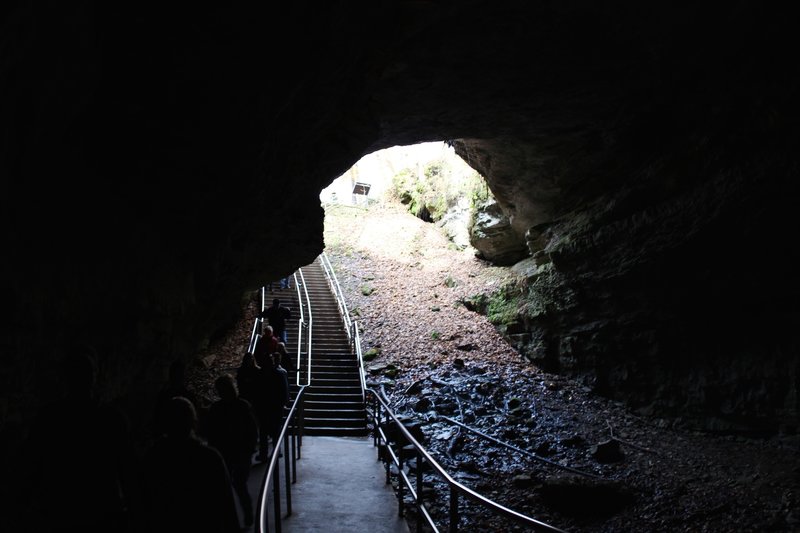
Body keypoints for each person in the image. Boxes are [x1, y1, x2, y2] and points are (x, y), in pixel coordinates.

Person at [21, 345, 137, 533]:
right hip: (100, 512)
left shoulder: (50, 418)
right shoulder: (112, 418)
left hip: (62, 511)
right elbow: (128, 470)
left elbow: (31, 466)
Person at [141, 396, 240, 533]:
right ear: (193, 422)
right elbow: (226, 502)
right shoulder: (209, 457)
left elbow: (144, 501)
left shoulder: (152, 457)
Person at [206, 375, 259, 529]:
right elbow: (252, 429)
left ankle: (234, 518)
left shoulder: (218, 408)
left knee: (231, 486)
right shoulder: (242, 406)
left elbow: (211, 431)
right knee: (239, 485)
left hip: (229, 452)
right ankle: (246, 515)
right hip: (238, 452)